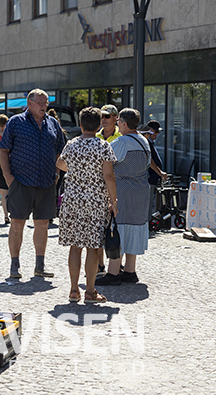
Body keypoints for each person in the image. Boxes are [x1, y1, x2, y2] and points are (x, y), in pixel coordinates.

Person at [0, 89, 66, 278]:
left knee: (43, 224)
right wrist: (8, 177)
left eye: (46, 103)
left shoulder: (53, 123)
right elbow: (3, 150)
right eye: (40, 102)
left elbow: (60, 152)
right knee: (17, 223)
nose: (44, 106)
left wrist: (56, 173)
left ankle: (40, 266)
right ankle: (15, 266)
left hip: (46, 182)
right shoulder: (15, 122)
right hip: (20, 181)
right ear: (29, 103)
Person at [56, 107, 117, 303]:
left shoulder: (71, 144)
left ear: (81, 125)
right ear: (99, 125)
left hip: (72, 201)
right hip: (95, 201)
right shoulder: (103, 146)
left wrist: (75, 169)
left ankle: (74, 290)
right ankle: (90, 291)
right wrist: (113, 201)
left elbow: (59, 164)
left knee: (75, 246)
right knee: (92, 246)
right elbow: (108, 175)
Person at [98, 108, 151, 286]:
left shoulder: (121, 142)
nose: (118, 124)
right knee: (135, 227)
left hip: (123, 191)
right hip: (141, 191)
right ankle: (130, 270)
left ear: (125, 124)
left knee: (117, 228)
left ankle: (113, 272)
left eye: (119, 121)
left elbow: (104, 161)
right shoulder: (144, 141)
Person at [94, 104, 121, 275]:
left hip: (116, 188)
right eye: (101, 116)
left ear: (116, 118)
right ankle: (99, 265)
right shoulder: (95, 136)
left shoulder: (121, 137)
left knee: (116, 229)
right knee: (98, 230)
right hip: (98, 189)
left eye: (107, 116)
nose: (103, 119)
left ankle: (116, 264)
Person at [143, 120, 168, 216]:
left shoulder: (150, 142)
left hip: (153, 179)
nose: (157, 135)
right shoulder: (146, 142)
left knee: (151, 203)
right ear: (150, 130)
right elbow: (150, 161)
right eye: (156, 132)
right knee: (148, 204)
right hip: (148, 178)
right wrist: (160, 173)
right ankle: (147, 225)